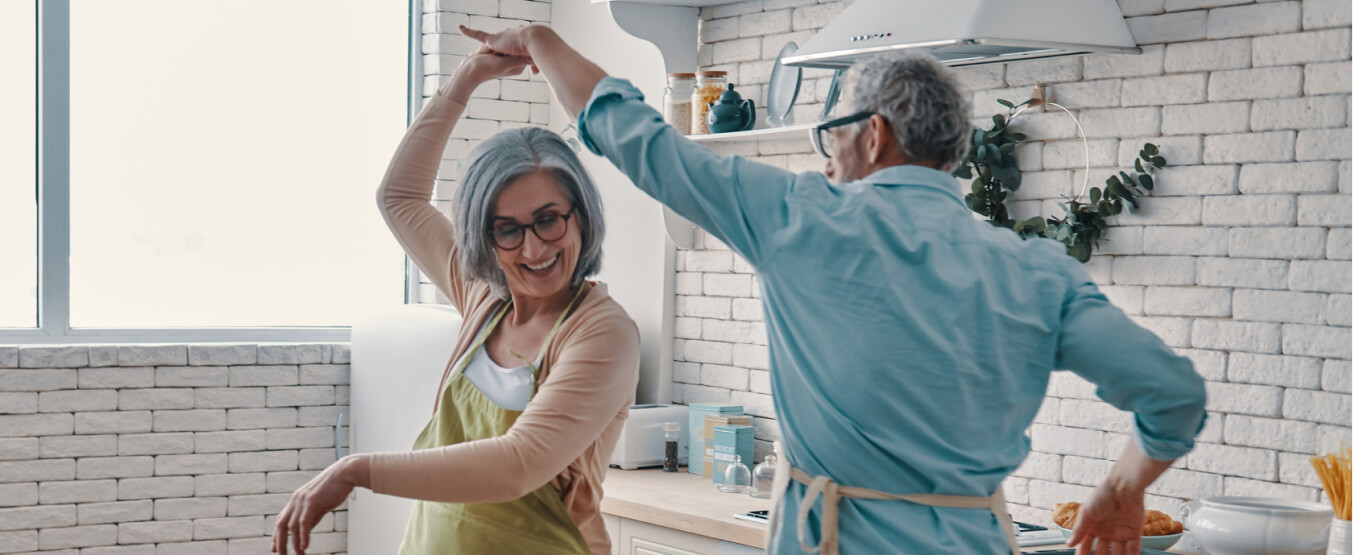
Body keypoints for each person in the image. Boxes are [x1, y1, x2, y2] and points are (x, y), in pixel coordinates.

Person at [460, 24, 1208, 555]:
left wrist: (538, 40)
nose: (825, 158)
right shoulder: (1036, 271)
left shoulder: (799, 217)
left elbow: (636, 138)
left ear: (873, 134)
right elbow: (1174, 395)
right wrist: (1121, 488)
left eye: (832, 134)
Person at [270, 47, 641, 555]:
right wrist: (465, 78)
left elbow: (518, 464)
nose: (534, 248)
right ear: (483, 238)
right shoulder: (484, 299)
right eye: (508, 230)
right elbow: (398, 197)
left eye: (549, 218)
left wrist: (358, 470)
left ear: (580, 215)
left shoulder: (602, 332)